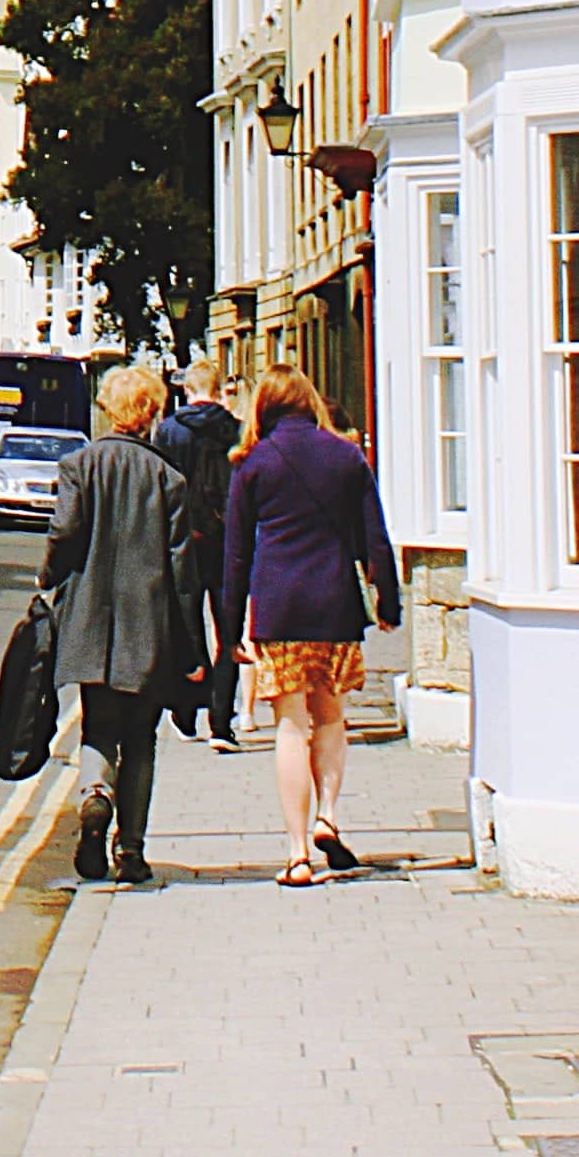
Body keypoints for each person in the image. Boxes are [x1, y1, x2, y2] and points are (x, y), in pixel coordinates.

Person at [218, 369, 405, 881]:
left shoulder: (252, 464)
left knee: (289, 725)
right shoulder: (346, 456)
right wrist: (389, 603)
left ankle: (298, 853)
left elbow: (236, 557)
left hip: (280, 608)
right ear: (308, 403)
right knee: (330, 717)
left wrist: (229, 628)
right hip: (335, 605)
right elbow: (376, 537)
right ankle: (328, 816)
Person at [37, 360, 190, 888]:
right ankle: (132, 852)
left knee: (98, 725)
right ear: (151, 413)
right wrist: (192, 650)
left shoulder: (80, 465)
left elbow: (65, 532)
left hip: (90, 620)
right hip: (149, 625)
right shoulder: (168, 478)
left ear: (108, 411)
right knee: (142, 738)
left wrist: (48, 577)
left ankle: (95, 795)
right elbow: (182, 572)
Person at [160, 383, 243, 746]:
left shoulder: (169, 429)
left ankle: (186, 712)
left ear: (189, 388)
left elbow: (160, 486)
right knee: (230, 634)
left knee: (187, 625)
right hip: (227, 538)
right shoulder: (236, 428)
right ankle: (222, 724)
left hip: (185, 538)